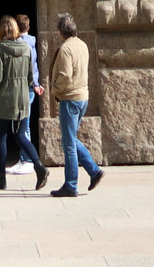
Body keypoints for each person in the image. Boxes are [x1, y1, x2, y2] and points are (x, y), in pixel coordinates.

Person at [0, 17, 48, 191]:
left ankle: (1, 178)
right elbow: (31, 76)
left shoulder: (1, 49)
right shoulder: (26, 47)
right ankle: (38, 166)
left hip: (4, 98)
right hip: (22, 97)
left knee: (1, 137)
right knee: (21, 134)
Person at [48, 14, 102, 198]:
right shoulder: (82, 45)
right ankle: (94, 171)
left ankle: (71, 184)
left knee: (69, 143)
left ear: (61, 31)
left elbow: (65, 76)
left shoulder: (66, 49)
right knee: (69, 139)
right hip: (82, 96)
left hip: (70, 98)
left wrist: (54, 90)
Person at [6, 13, 43, 175]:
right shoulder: (30, 42)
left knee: (23, 125)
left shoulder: (23, 44)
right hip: (25, 87)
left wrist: (34, 84)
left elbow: (29, 66)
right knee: (20, 124)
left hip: (24, 88)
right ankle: (23, 158)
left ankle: (28, 160)